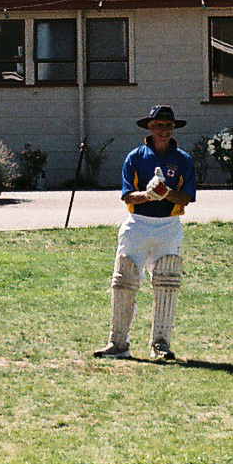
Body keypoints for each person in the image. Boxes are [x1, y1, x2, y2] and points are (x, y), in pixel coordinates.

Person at [92, 104, 198, 362]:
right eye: (159, 125)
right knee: (124, 279)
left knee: (167, 282)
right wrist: (149, 195)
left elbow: (186, 198)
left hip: (168, 226)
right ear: (150, 127)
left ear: (173, 128)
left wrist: (166, 193)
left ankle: (161, 345)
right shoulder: (135, 157)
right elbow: (128, 195)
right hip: (137, 224)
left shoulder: (183, 160)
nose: (164, 130)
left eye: (168, 126)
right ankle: (118, 343)